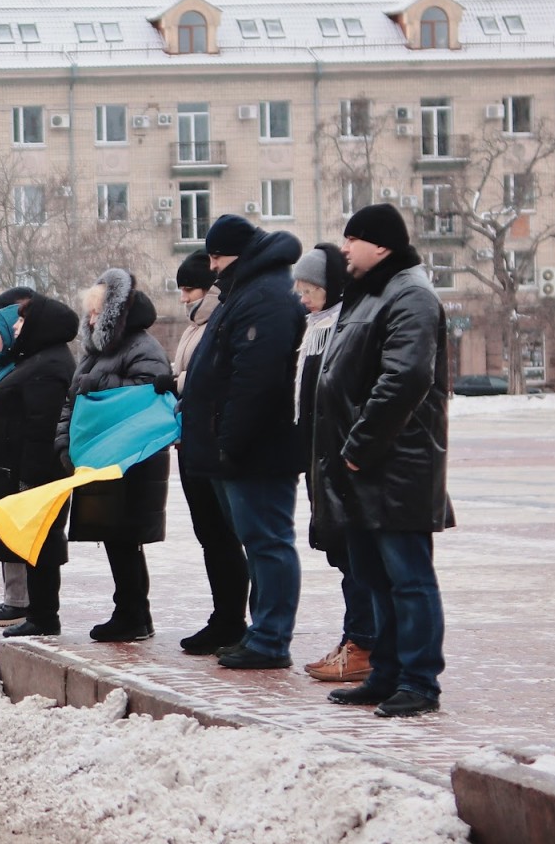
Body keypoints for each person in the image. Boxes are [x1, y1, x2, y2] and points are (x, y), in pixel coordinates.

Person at [312, 204, 454, 718]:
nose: (344, 248)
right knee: (375, 578)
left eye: (353, 238)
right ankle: (387, 673)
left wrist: (358, 448)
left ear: (382, 246)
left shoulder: (410, 295)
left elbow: (405, 379)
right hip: (363, 467)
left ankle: (419, 682)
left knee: (409, 579)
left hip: (397, 465)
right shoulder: (371, 293)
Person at [180, 214, 306, 671]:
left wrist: (228, 442)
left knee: (268, 543)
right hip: (234, 448)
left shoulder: (265, 297)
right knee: (255, 542)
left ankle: (271, 639)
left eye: (217, 256)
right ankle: (259, 632)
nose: (211, 266)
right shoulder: (244, 292)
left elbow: (256, 380)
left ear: (239, 252)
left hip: (256, 450)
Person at [55, 270, 173, 642]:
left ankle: (134, 615)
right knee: (115, 539)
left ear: (113, 315)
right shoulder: (97, 352)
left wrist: (99, 385)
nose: (89, 320)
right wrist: (64, 443)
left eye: (95, 313)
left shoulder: (142, 346)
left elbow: (150, 394)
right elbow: (73, 401)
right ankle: (131, 612)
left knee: (125, 539)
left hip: (132, 461)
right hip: (105, 458)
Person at [0, 296, 80, 637]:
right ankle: (40, 615)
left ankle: (44, 617)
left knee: (42, 546)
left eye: (21, 321)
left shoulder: (49, 366)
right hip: (25, 473)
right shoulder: (39, 361)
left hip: (37, 476)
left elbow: (42, 428)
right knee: (35, 546)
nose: (14, 326)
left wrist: (30, 479)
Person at [291, 243, 377, 685]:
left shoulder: (343, 330)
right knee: (344, 556)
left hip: (340, 458)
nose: (302, 297)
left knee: (356, 555)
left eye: (311, 289)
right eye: (300, 288)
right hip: (319, 459)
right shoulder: (315, 330)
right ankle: (357, 639)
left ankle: (362, 644)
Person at [172, 251, 250, 654]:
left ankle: (234, 620)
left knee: (226, 535)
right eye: (182, 289)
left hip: (213, 441)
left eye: (190, 289)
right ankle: (224, 617)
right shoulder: (193, 327)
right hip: (192, 442)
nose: (184, 297)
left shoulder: (219, 323)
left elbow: (214, 374)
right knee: (210, 536)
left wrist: (176, 382)